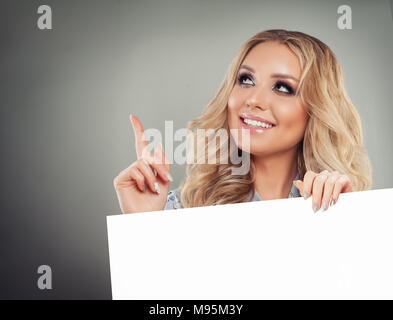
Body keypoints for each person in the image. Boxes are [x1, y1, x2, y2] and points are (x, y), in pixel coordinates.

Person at [113, 29, 372, 214]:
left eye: (283, 87)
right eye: (246, 80)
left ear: (317, 109)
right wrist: (142, 225)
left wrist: (346, 220)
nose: (253, 100)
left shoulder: (340, 202)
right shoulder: (182, 209)